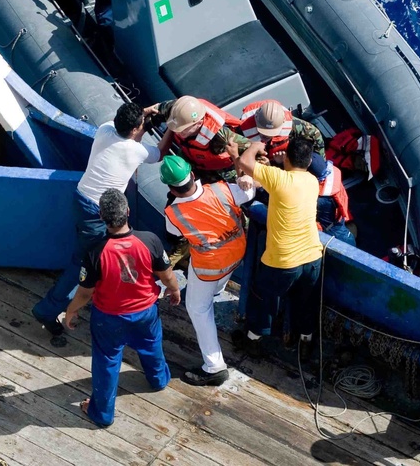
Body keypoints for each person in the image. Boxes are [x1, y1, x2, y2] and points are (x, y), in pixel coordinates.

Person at [31, 102, 161, 341]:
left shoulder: (105, 129)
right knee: (81, 265)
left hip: (81, 199)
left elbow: (129, 136)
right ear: (135, 130)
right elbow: (159, 152)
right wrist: (170, 127)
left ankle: (68, 298)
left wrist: (142, 114)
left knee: (84, 255)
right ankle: (46, 311)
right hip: (97, 213)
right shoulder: (137, 151)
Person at [64, 188, 180, 426]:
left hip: (110, 317)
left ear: (102, 218)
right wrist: (175, 289)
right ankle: (158, 380)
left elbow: (86, 291)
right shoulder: (150, 240)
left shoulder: (95, 252)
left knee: (107, 362)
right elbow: (167, 275)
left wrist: (71, 309)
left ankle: (102, 414)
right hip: (146, 312)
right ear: (127, 212)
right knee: (151, 345)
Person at [160, 155, 256, 386]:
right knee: (213, 286)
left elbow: (176, 234)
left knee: (197, 308)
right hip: (236, 253)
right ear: (193, 175)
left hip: (209, 266)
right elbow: (250, 190)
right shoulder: (223, 190)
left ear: (171, 188)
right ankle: (213, 292)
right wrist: (246, 177)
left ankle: (214, 367)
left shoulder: (173, 214)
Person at [232, 137, 324, 359]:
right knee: (306, 302)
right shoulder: (312, 181)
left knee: (263, 301)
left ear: (288, 158)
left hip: (282, 261)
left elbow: (245, 162)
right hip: (312, 257)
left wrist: (255, 146)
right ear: (309, 160)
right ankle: (304, 344)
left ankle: (252, 341)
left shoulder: (279, 178)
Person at [143, 96, 250, 184]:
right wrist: (145, 113)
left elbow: (252, 150)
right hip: (191, 158)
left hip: (223, 168)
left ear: (199, 123)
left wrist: (246, 175)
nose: (178, 132)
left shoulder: (221, 136)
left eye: (183, 129)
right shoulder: (177, 111)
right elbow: (157, 108)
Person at [237, 100, 325, 169]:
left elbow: (315, 135)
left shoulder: (294, 125)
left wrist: (318, 162)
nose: (266, 136)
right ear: (255, 120)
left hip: (285, 162)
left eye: (271, 132)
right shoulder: (240, 133)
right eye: (263, 132)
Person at [312, 154, 355, 246]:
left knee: (345, 248)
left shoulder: (320, 200)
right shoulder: (331, 174)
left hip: (332, 232)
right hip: (339, 221)